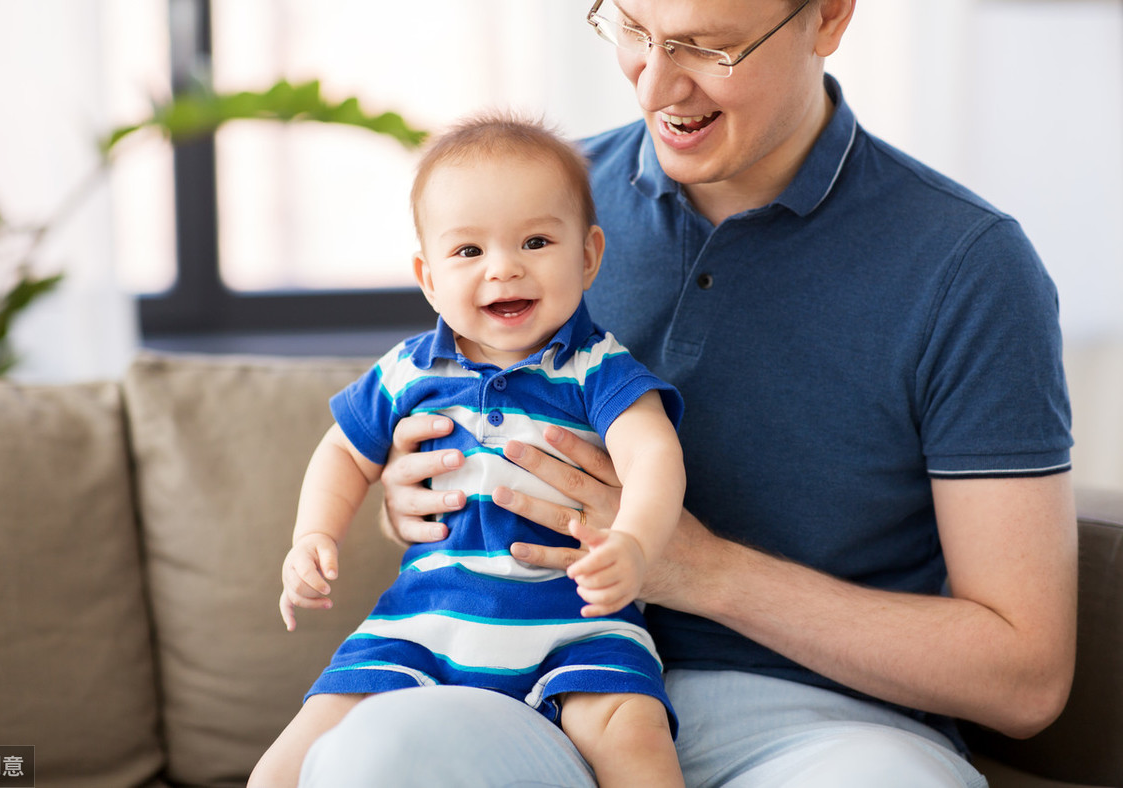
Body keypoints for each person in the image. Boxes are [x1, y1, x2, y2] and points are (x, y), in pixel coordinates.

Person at [297, 1, 1078, 787]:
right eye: (633, 30)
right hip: (528, 690)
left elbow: (1025, 679)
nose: (655, 84)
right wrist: (421, 491)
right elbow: (433, 409)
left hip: (818, 729)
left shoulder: (969, 266)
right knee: (376, 754)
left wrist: (699, 569)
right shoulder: (533, 208)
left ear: (830, 19)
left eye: (709, 47)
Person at [248, 115, 687, 788]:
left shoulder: (596, 369)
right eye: (468, 252)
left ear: (589, 255)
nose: (504, 268)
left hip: (574, 627)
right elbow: (343, 453)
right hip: (422, 625)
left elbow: (654, 456)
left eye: (535, 241)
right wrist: (313, 534)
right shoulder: (407, 371)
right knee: (281, 770)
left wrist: (634, 542)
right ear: (427, 276)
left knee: (635, 738)